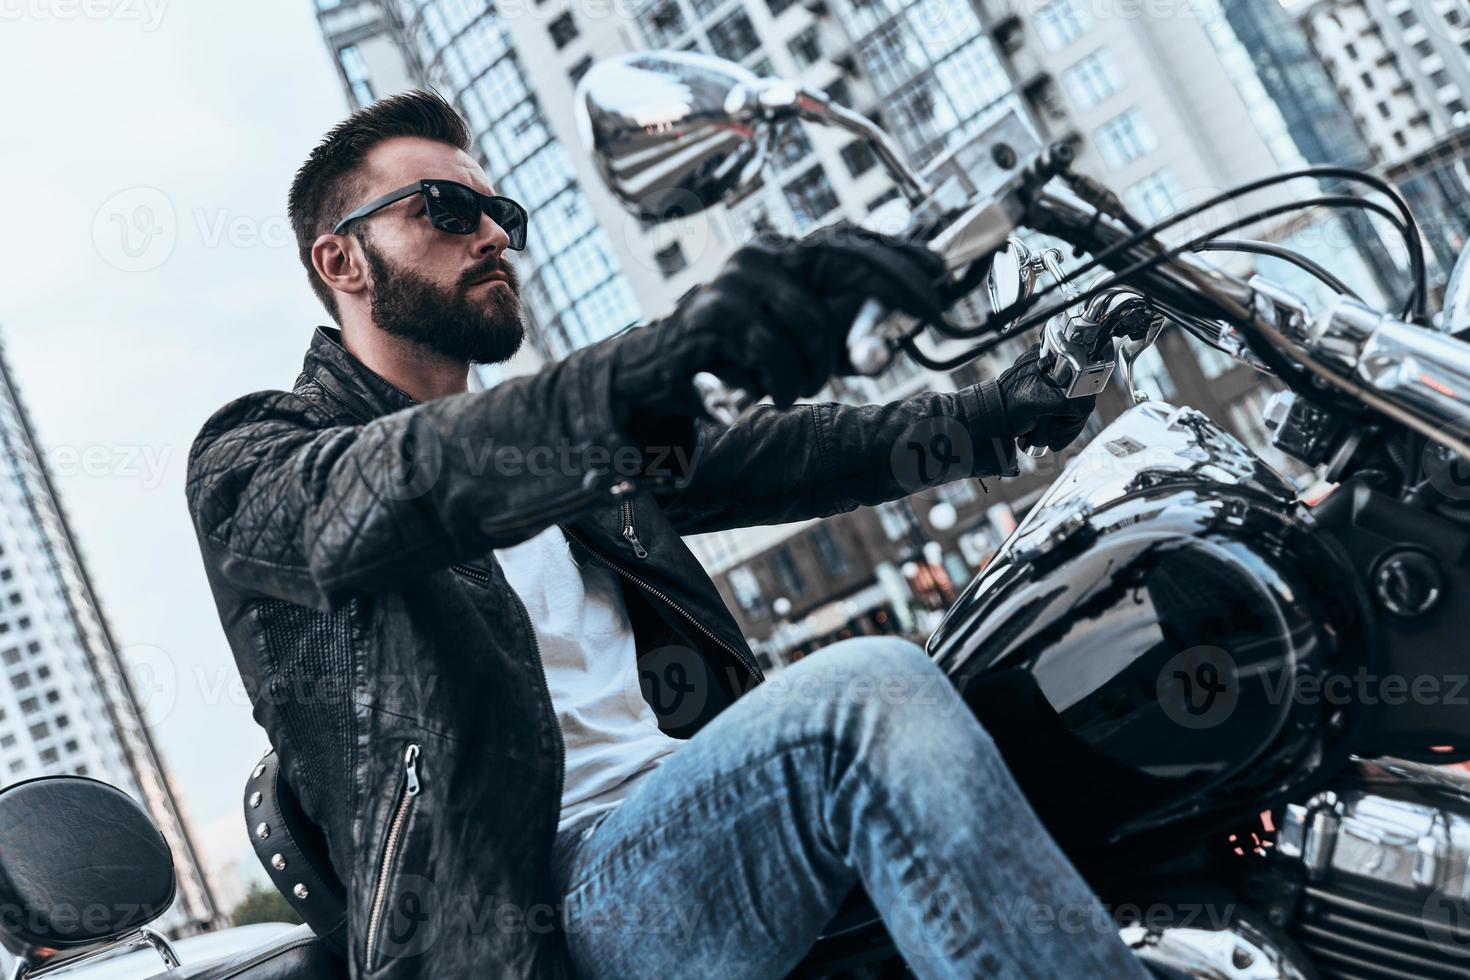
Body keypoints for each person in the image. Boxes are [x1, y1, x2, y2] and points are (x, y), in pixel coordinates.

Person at [186, 90, 1138, 979]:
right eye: (445, 209)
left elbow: (790, 451)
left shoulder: (560, 455)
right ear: (342, 259)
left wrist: (1013, 413)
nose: (491, 236)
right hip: (536, 923)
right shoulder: (255, 462)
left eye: (502, 215)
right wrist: (667, 357)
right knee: (869, 695)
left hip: (692, 821)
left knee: (1049, 684)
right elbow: (400, 483)